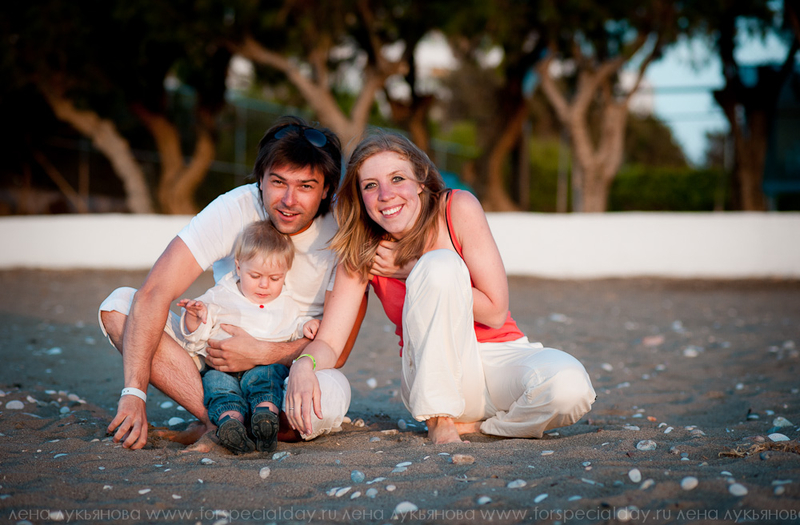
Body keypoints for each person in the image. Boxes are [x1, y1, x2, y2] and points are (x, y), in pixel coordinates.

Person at [285, 131, 596, 444]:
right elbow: (331, 342)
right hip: (434, 373)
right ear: (360, 195)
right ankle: (440, 419)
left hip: (502, 353)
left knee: (570, 387)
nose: (386, 194)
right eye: (370, 185)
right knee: (440, 264)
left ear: (421, 180)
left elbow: (496, 312)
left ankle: (481, 427)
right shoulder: (364, 247)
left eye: (397, 178)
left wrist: (411, 269)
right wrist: (303, 366)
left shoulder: (456, 208)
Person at [99, 116, 364, 450]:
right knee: (120, 307)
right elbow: (155, 292)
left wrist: (261, 352)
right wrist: (134, 394)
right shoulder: (234, 208)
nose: (289, 199)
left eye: (306, 186)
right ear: (261, 179)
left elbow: (340, 349)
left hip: (298, 363)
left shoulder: (344, 229)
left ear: (326, 189)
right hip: (217, 356)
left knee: (320, 402)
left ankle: (243, 420)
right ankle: (219, 421)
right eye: (278, 182)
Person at [179, 220, 321, 454]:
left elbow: (294, 326)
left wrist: (307, 325)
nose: (264, 285)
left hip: (263, 366)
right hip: (222, 368)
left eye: (274, 279)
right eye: (255, 276)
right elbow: (198, 336)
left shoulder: (285, 302)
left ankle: (265, 417)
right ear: (238, 267)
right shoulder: (220, 295)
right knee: (218, 388)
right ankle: (230, 423)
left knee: (268, 379)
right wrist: (194, 319)